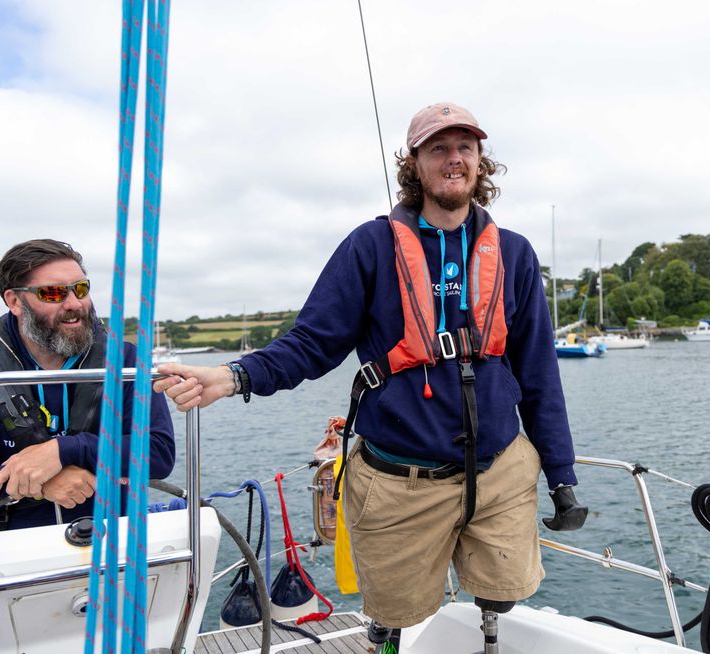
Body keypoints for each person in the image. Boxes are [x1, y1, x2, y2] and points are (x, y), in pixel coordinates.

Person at [154, 103, 586, 644]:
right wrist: (235, 375)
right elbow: (311, 344)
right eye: (439, 149)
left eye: (465, 148)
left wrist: (561, 476)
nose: (454, 159)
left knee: (502, 593)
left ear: (481, 162)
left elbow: (541, 375)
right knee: (393, 618)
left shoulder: (516, 255)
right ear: (415, 164)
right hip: (399, 482)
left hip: (500, 474)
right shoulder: (370, 247)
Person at [0, 239, 176, 530]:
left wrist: (66, 450)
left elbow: (158, 453)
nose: (74, 304)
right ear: (15, 301)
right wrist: (36, 481)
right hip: (7, 552)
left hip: (113, 540)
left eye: (81, 289)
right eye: (53, 293)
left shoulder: (126, 363)